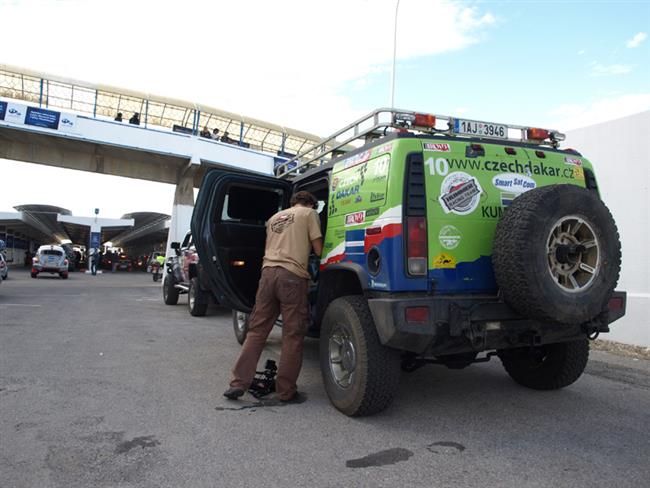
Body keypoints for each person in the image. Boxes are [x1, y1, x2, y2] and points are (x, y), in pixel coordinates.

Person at [223, 191, 322, 402]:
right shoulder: (309, 214)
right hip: (292, 277)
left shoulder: (274, 218)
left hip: (267, 275)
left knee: (257, 332)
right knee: (292, 335)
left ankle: (238, 383)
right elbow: (319, 249)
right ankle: (286, 391)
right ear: (311, 203)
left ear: (292, 202)